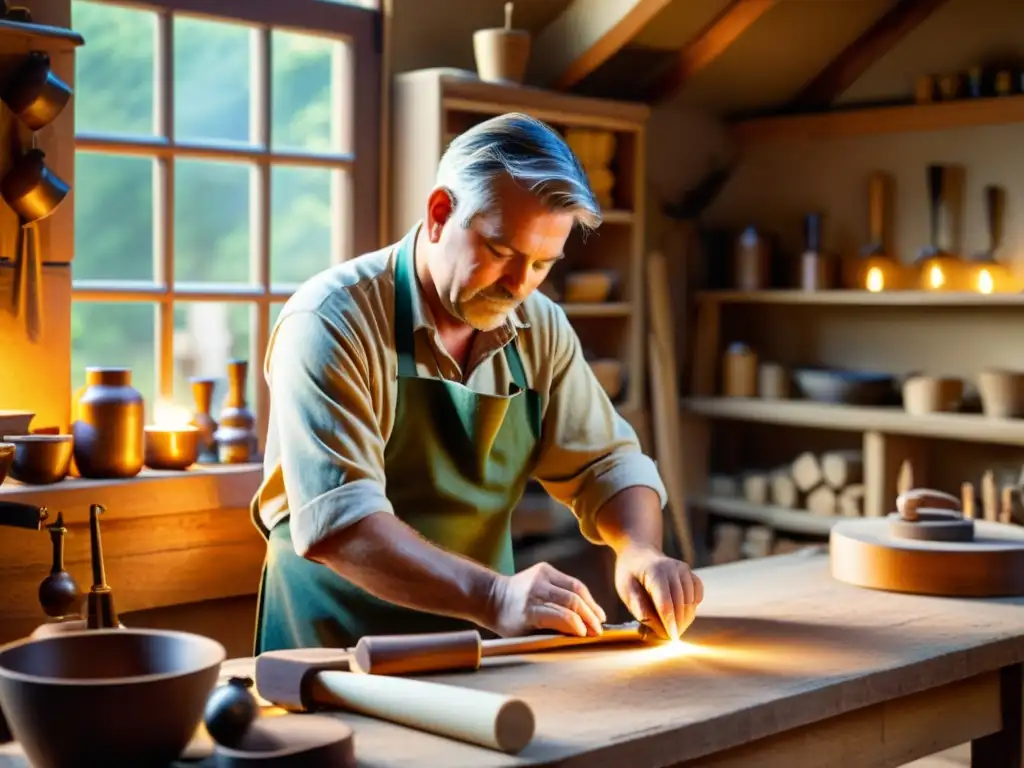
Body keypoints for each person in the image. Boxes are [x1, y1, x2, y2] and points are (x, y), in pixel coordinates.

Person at [250, 112, 703, 654]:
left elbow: (606, 464)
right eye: (501, 252)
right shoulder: (329, 321)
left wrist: (639, 551)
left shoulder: (540, 325)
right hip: (332, 650)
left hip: (479, 648)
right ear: (440, 213)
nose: (518, 285)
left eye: (541, 264)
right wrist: (494, 595)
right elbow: (342, 525)